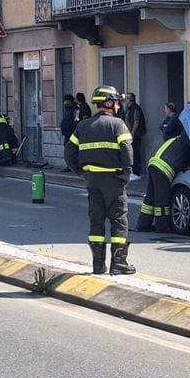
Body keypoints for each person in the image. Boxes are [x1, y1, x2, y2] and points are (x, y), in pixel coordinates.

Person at [64, 85, 136, 275]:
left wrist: (81, 173)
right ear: (109, 103)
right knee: (119, 219)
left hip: (93, 180)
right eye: (117, 103)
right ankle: (118, 263)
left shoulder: (83, 126)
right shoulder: (118, 124)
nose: (119, 107)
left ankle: (98, 265)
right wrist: (127, 173)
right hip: (114, 178)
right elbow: (127, 150)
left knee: (96, 221)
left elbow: (68, 153)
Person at [137, 132, 190, 233]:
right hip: (164, 168)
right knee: (162, 200)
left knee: (150, 198)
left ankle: (143, 224)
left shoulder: (179, 137)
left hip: (154, 163)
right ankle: (162, 227)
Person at [123, 92, 147, 177]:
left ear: (130, 100)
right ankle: (133, 171)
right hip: (130, 134)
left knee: (136, 152)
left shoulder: (135, 108)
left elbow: (136, 121)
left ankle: (136, 172)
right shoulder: (128, 109)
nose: (125, 100)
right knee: (131, 152)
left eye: (126, 98)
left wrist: (132, 133)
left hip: (135, 135)